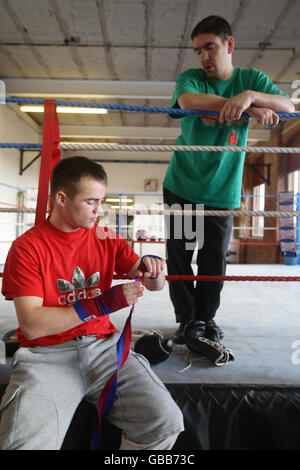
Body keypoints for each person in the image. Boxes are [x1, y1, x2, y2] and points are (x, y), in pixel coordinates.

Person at [0, 156, 184, 450]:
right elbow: (32, 326)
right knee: (23, 445)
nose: (100, 210)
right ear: (61, 198)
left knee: (165, 423)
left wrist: (155, 268)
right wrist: (101, 304)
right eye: (91, 202)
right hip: (47, 356)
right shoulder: (27, 248)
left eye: (102, 200)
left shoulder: (105, 236)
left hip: (103, 349)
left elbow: (153, 283)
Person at [163, 16, 295, 351]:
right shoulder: (191, 79)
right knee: (180, 256)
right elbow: (188, 102)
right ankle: (186, 321)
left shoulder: (251, 79)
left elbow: (288, 105)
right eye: (198, 50)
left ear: (229, 45)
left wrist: (250, 96)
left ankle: (205, 321)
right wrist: (244, 108)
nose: (204, 56)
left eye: (211, 47)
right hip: (182, 183)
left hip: (222, 190)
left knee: (214, 260)